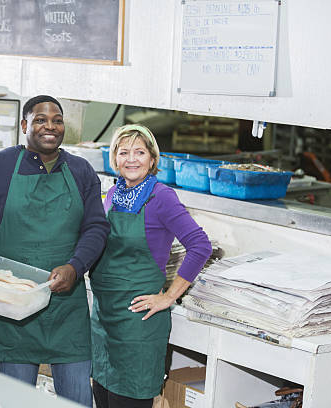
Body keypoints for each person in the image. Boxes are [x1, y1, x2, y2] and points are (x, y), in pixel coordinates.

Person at [0, 94, 109, 407]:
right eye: (41, 120)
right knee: (17, 401)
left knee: (78, 400)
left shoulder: (81, 172)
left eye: (57, 121)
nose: (50, 127)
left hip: (65, 308)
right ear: (24, 125)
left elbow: (96, 228)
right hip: (12, 305)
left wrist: (77, 265)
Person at [90, 124, 212, 408]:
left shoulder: (162, 197)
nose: (131, 159)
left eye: (139, 152)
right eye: (124, 152)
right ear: (115, 160)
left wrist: (170, 296)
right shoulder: (111, 196)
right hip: (104, 320)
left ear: (152, 159)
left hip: (138, 325)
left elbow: (200, 245)